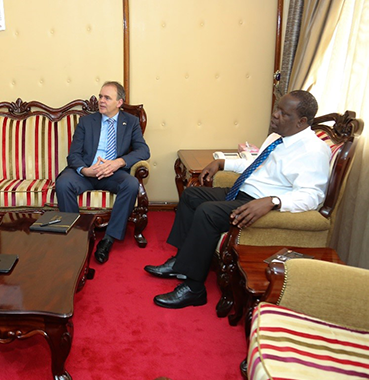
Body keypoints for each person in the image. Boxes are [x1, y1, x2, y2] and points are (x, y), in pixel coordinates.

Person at [144, 90, 330, 309]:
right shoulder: (277, 137)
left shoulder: (314, 151)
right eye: (277, 108)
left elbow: (312, 196)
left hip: (258, 204)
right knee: (192, 195)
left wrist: (273, 201)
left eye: (283, 113)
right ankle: (182, 261)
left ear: (302, 121)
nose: (275, 115)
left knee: (207, 212)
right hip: (243, 192)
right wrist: (222, 163)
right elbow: (254, 164)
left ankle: (194, 289)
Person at [55, 81, 150, 263]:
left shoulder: (130, 122)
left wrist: (118, 163)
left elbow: (143, 150)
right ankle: (76, 237)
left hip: (112, 174)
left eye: (107, 97)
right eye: (100, 96)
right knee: (64, 183)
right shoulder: (86, 122)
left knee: (130, 184)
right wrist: (85, 170)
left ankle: (108, 239)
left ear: (119, 102)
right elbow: (73, 155)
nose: (101, 101)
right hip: (87, 172)